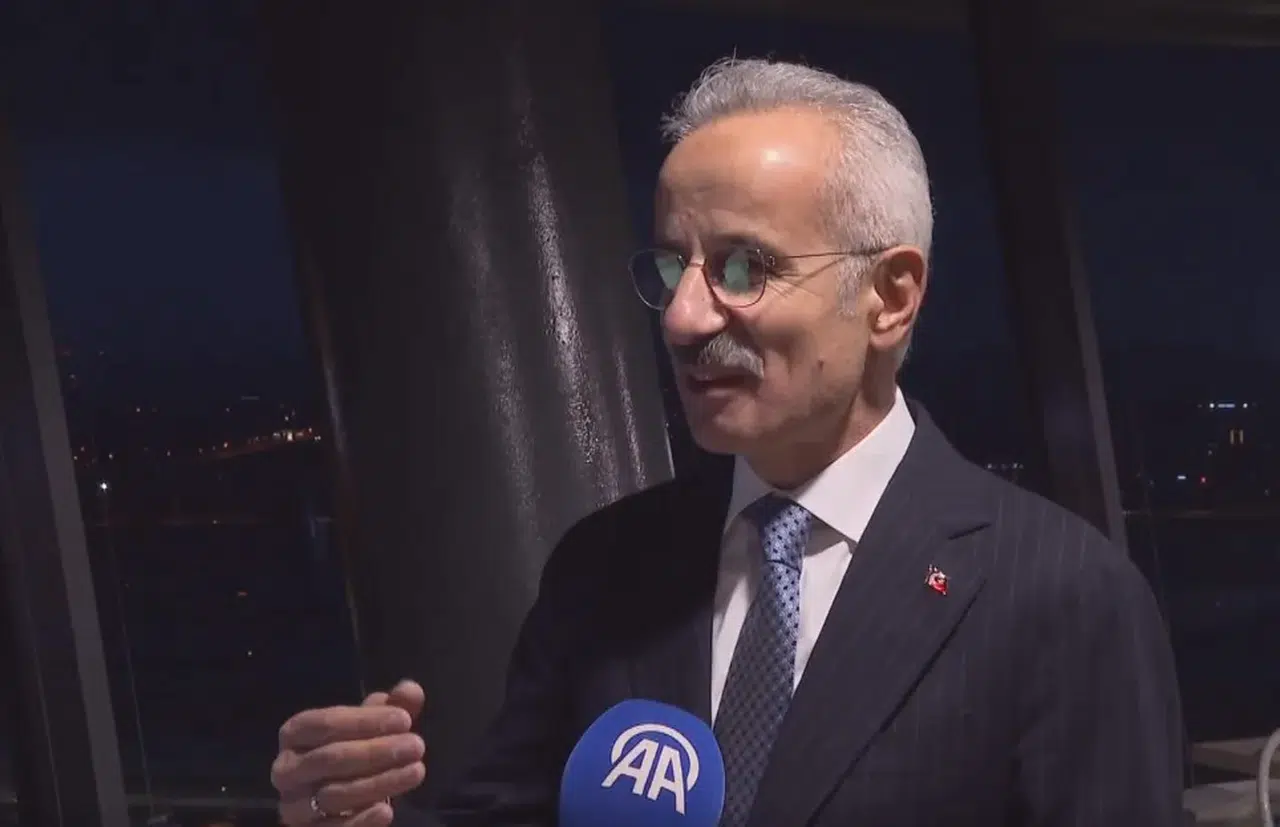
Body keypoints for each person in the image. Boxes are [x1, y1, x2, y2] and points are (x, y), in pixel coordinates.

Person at [271, 57, 1185, 826]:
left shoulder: (1062, 595)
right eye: (674, 266)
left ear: (891, 296)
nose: (682, 317)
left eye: (744, 267)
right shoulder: (605, 567)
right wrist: (354, 817)